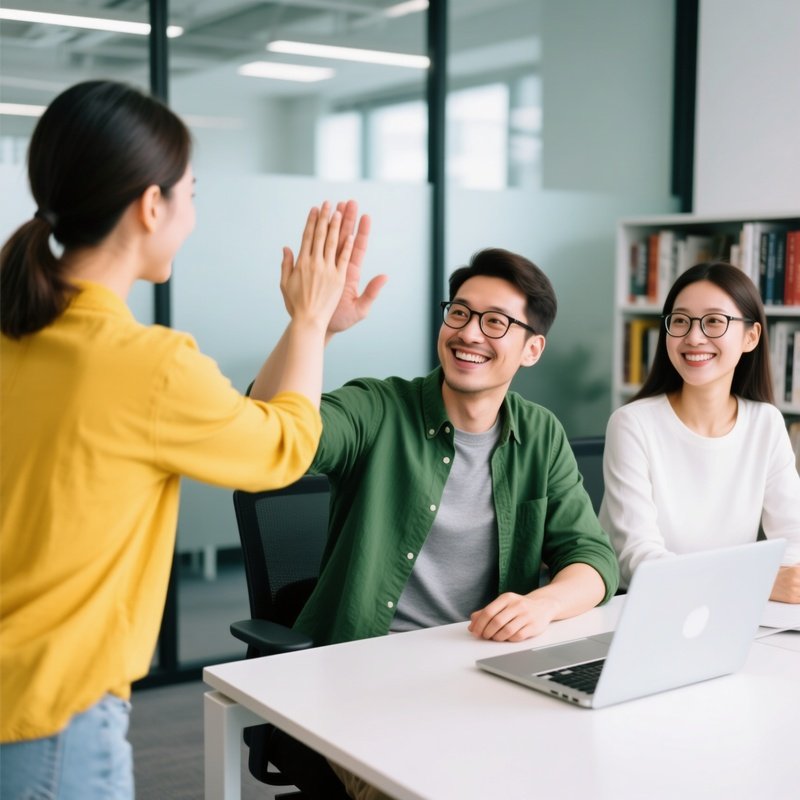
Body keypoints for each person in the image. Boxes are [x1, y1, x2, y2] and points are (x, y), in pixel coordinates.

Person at [0, 79, 368, 799]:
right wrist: (309, 318)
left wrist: (310, 328)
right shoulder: (145, 365)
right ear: (150, 205)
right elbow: (285, 452)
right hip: (53, 714)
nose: (194, 214)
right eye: (191, 192)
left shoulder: (25, 333)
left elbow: (249, 423)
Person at [252, 247, 620, 800]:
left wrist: (542, 604)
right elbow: (270, 443)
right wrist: (313, 330)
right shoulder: (379, 408)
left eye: (496, 322)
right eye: (460, 313)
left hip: (483, 674)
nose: (470, 333)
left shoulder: (540, 434)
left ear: (532, 349)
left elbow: (593, 560)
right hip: (361, 685)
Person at [599, 261, 800, 599]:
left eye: (714, 322)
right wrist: (756, 582)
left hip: (729, 611)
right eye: (680, 321)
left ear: (751, 337)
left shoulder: (765, 422)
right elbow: (640, 560)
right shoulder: (632, 423)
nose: (693, 337)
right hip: (640, 606)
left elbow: (794, 540)